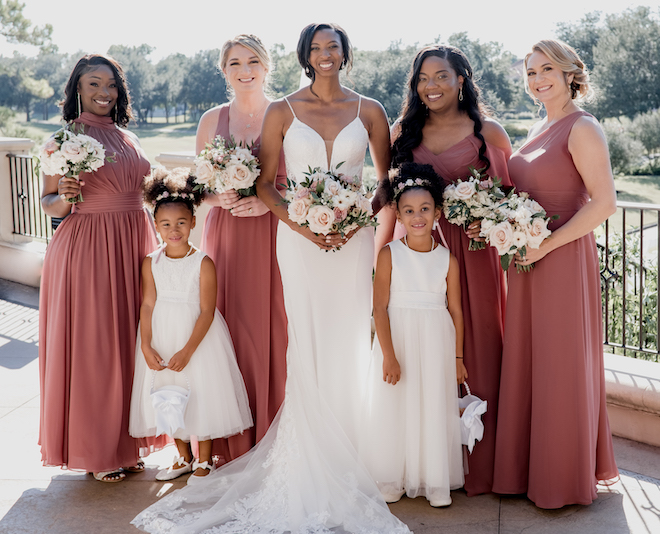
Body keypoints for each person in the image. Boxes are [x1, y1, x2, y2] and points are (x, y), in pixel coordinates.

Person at [133, 23, 409, 533]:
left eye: (334, 46)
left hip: (351, 246)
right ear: (304, 55)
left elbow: (386, 182)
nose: (325, 54)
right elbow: (264, 185)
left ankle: (356, 450)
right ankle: (308, 453)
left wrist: (355, 221)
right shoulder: (283, 109)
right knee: (301, 339)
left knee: (349, 339)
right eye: (316, 47)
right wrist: (305, 225)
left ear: (346, 54)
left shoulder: (370, 109)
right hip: (298, 244)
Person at [492, 39, 619, 509]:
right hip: (526, 260)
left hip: (561, 259)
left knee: (560, 364)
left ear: (570, 74)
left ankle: (560, 479)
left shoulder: (583, 127)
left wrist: (545, 243)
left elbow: (603, 203)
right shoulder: (537, 125)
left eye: (546, 69)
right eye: (530, 72)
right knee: (530, 359)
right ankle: (528, 470)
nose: (537, 79)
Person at [389, 45, 512, 496]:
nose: (432, 85)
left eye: (441, 76)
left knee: (476, 343)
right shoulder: (403, 131)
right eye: (423, 78)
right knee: (420, 351)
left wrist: (490, 218)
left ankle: (481, 461)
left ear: (461, 79)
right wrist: (385, 255)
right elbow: (390, 197)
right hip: (418, 256)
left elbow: (510, 200)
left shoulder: (488, 132)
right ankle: (426, 459)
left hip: (473, 256)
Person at [39, 54, 162, 482]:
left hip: (134, 243)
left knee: (131, 343)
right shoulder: (63, 137)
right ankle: (97, 450)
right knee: (96, 348)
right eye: (94, 84)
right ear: (77, 87)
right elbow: (48, 201)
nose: (104, 92)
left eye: (111, 84)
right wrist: (67, 196)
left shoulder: (129, 137)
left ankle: (126, 444)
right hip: (88, 248)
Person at [128, 168, 253, 484]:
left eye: (181, 223)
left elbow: (208, 311)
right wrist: (145, 344)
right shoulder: (150, 262)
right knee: (167, 394)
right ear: (156, 226)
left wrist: (188, 350)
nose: (174, 230)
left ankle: (204, 457)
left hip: (197, 340)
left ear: (193, 223)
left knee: (200, 392)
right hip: (162, 336)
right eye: (166, 224)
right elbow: (147, 304)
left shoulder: (203, 263)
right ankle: (182, 455)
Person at [196, 35, 288, 463]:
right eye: (235, 62)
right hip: (227, 236)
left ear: (267, 66)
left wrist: (266, 201)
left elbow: (303, 180)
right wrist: (222, 198)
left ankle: (279, 433)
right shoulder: (211, 119)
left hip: (276, 234)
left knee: (277, 325)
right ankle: (229, 440)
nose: (245, 69)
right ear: (224, 70)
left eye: (253, 60)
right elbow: (199, 186)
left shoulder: (287, 112)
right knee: (228, 327)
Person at [360, 162, 467, 507]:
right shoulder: (390, 254)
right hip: (399, 340)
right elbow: (379, 308)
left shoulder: (448, 259)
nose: (417, 216)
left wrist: (458, 358)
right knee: (397, 404)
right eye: (409, 210)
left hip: (437, 342)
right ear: (399, 215)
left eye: (424, 209)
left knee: (432, 405)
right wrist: (388, 355)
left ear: (438, 213)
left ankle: (434, 480)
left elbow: (456, 311)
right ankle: (393, 476)